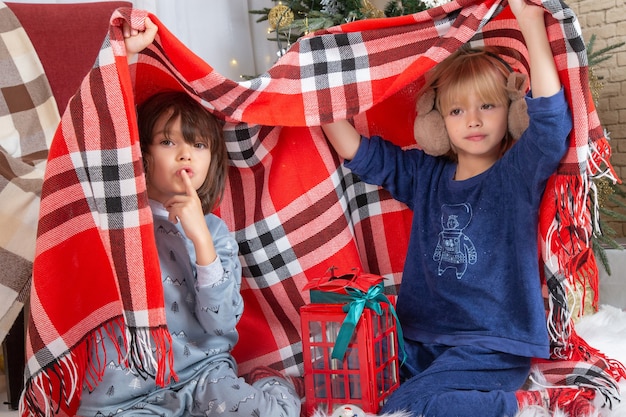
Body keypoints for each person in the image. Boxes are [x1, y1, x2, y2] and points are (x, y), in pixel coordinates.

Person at [320, 0, 595, 416]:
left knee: (410, 405)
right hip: (420, 338)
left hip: (491, 344)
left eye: (487, 105)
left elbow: (552, 124)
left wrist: (529, 22)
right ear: (437, 123)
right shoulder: (425, 176)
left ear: (510, 110)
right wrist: (314, 100)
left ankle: (527, 407)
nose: (473, 120)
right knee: (354, 383)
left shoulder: (517, 173)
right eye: (456, 110)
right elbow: (363, 155)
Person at [76, 17, 302, 417]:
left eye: (198, 144)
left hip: (203, 375)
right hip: (131, 387)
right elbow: (103, 131)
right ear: (142, 154)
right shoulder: (119, 216)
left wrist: (200, 240)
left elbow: (221, 326)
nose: (185, 154)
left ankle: (276, 386)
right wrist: (127, 55)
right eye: (168, 141)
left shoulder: (215, 232)